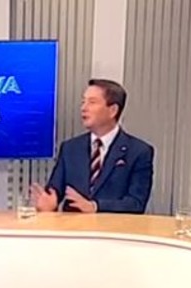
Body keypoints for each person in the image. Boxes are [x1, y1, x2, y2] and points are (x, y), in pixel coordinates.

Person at [30, 79, 154, 213]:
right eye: (83, 102)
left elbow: (136, 203)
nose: (84, 108)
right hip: (73, 225)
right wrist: (48, 206)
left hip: (113, 225)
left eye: (92, 102)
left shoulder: (139, 151)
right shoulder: (70, 148)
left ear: (113, 110)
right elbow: (54, 193)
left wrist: (95, 206)